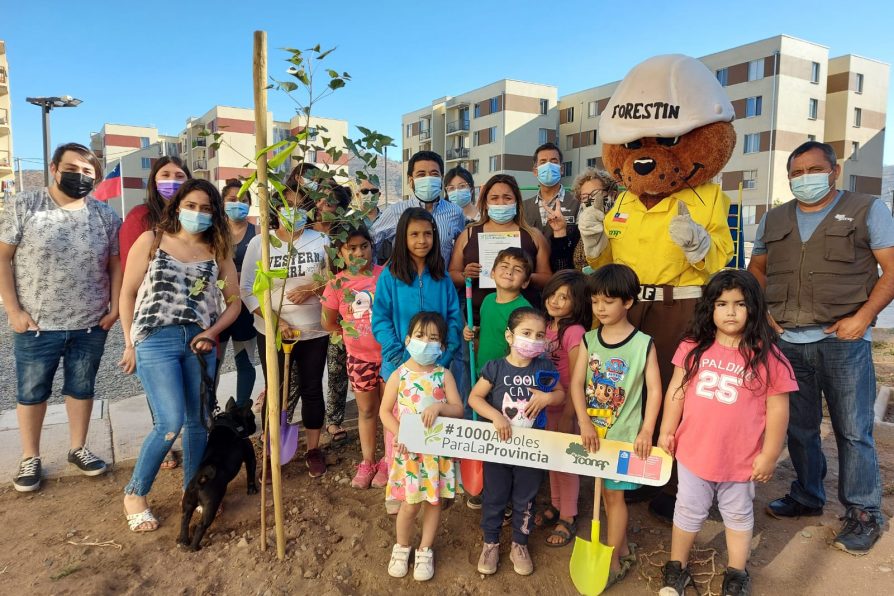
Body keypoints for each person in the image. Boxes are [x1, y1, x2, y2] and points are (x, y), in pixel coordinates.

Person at [748, 140, 894, 554]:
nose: (804, 178)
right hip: (788, 344)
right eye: (796, 173)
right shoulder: (775, 218)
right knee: (800, 428)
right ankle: (808, 495)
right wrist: (765, 315)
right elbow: (756, 270)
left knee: (853, 431)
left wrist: (863, 318)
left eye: (813, 170)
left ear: (833, 171)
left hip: (843, 343)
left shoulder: (867, 209)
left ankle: (864, 512)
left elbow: (892, 269)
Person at [657, 270, 796, 596]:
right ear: (710, 308)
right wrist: (667, 428)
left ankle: (736, 572)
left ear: (754, 308)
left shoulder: (768, 357)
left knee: (737, 513)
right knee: (687, 509)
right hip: (693, 452)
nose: (730, 311)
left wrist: (770, 454)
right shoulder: (693, 346)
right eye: (721, 304)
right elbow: (676, 389)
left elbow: (778, 410)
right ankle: (677, 566)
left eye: (739, 304)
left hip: (741, 459)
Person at [119, 178, 241, 531]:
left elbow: (234, 304)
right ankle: (135, 492)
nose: (198, 213)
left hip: (199, 343)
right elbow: (127, 293)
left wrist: (212, 333)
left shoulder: (217, 250)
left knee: (198, 423)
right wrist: (130, 343)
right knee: (169, 422)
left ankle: (193, 490)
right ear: (177, 207)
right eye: (191, 206)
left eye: (206, 208)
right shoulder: (153, 240)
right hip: (155, 340)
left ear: (214, 214)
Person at [0, 142, 121, 492]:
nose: (80, 176)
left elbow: (114, 264)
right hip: (37, 325)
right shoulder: (26, 205)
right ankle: (30, 457)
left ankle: (78, 448)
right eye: (72, 168)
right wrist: (14, 311)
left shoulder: (105, 216)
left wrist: (114, 307)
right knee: (31, 391)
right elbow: (3, 259)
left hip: (90, 322)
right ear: (54, 168)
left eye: (87, 172)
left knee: (82, 388)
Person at [570, 264, 662, 587]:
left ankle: (612, 557)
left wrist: (647, 429)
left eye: (608, 301)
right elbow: (577, 383)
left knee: (614, 498)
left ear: (627, 302)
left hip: (624, 440)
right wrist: (583, 421)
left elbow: (655, 390)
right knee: (602, 495)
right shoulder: (589, 339)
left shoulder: (643, 344)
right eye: (595, 301)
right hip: (592, 437)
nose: (600, 308)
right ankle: (621, 547)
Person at [372, 207, 464, 514]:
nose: (421, 240)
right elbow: (381, 319)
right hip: (400, 366)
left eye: (427, 234)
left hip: (437, 367)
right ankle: (399, 487)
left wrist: (446, 353)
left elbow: (453, 317)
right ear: (403, 238)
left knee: (433, 420)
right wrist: (398, 354)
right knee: (396, 426)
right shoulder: (390, 276)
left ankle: (436, 480)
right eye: (414, 234)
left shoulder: (442, 277)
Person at [240, 181, 331, 478]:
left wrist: (313, 287)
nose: (292, 211)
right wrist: (276, 322)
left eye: (300, 205)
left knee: (312, 388)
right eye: (285, 205)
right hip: (273, 331)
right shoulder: (261, 243)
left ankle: (314, 449)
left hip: (314, 330)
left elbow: (335, 279)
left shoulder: (321, 241)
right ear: (275, 209)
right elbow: (247, 290)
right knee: (276, 392)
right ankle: (272, 448)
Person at [469, 307, 564, 576]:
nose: (533, 339)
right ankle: (491, 543)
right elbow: (475, 398)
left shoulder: (545, 367)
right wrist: (495, 416)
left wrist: (548, 398)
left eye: (539, 335)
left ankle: (519, 545)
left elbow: (560, 395)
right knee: (494, 497)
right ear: (509, 336)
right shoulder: (495, 367)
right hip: (498, 449)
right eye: (526, 333)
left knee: (526, 499)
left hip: (532, 451)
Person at [380, 312, 465, 582]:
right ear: (408, 340)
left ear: (442, 347)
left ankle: (425, 549)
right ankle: (402, 546)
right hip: (409, 455)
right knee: (408, 504)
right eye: (420, 336)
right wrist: (400, 434)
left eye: (433, 338)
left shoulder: (444, 375)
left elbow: (458, 409)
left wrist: (439, 407)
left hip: (436, 456)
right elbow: (384, 412)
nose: (426, 343)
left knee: (434, 502)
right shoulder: (399, 375)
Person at [321, 225, 387, 489]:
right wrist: (350, 336)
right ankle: (368, 461)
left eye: (364, 246)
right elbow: (327, 323)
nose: (359, 252)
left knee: (391, 411)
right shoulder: (336, 283)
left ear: (372, 247)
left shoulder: (386, 276)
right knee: (367, 410)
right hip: (359, 359)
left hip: (389, 357)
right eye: (351, 248)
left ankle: (391, 461)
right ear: (341, 252)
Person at [537, 269, 591, 546]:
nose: (556, 301)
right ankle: (557, 504)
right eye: (554, 294)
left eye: (565, 298)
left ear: (577, 303)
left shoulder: (574, 332)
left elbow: (576, 378)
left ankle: (568, 516)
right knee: (551, 459)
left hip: (565, 407)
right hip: (545, 407)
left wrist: (570, 414)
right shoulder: (544, 326)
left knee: (566, 463)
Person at [449, 174, 551, 318]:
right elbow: (452, 274)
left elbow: (547, 278)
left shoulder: (533, 235)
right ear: (485, 202)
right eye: (494, 198)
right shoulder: (469, 233)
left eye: (507, 198)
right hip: (480, 316)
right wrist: (465, 275)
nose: (501, 203)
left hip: (525, 318)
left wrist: (523, 275)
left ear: (517, 201)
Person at [310, 177, 353, 444]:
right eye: (320, 198)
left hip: (339, 308)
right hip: (304, 312)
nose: (323, 204)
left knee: (338, 366)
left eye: (330, 200)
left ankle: (334, 420)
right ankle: (292, 418)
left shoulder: (345, 233)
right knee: (307, 371)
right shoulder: (302, 230)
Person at [371, 150, 465, 266]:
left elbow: (460, 250)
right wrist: (377, 274)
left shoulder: (455, 212)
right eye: (421, 174)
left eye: (434, 174)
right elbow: (369, 243)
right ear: (411, 181)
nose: (428, 179)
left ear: (442, 178)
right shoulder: (394, 211)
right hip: (404, 282)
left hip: (441, 282)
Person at [217, 179, 258, 409]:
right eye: (232, 200)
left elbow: (261, 273)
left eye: (243, 200)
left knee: (245, 361)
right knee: (214, 362)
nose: (238, 204)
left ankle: (242, 410)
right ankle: (209, 408)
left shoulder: (258, 233)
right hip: (218, 309)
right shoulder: (213, 233)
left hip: (245, 309)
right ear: (223, 203)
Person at [462, 247, 534, 367]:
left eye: (517, 269)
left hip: (506, 378)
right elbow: (490, 331)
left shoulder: (525, 312)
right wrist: (473, 332)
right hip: (483, 372)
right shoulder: (488, 300)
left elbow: (525, 351)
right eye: (504, 266)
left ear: (525, 282)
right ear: (492, 273)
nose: (509, 271)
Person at [119, 156, 191, 272]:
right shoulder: (139, 216)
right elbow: (128, 267)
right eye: (165, 175)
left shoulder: (195, 216)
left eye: (179, 176)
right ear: (154, 181)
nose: (172, 181)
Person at [521, 142, 580, 272]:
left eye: (554, 161)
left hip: (566, 276)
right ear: (535, 171)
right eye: (543, 162)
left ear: (562, 168)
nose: (548, 165)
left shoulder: (577, 202)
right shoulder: (523, 207)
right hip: (531, 278)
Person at [548, 169, 619, 271]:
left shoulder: (622, 227)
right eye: (584, 197)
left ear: (612, 194)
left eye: (595, 193)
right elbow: (562, 269)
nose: (590, 200)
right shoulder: (577, 231)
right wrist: (559, 231)